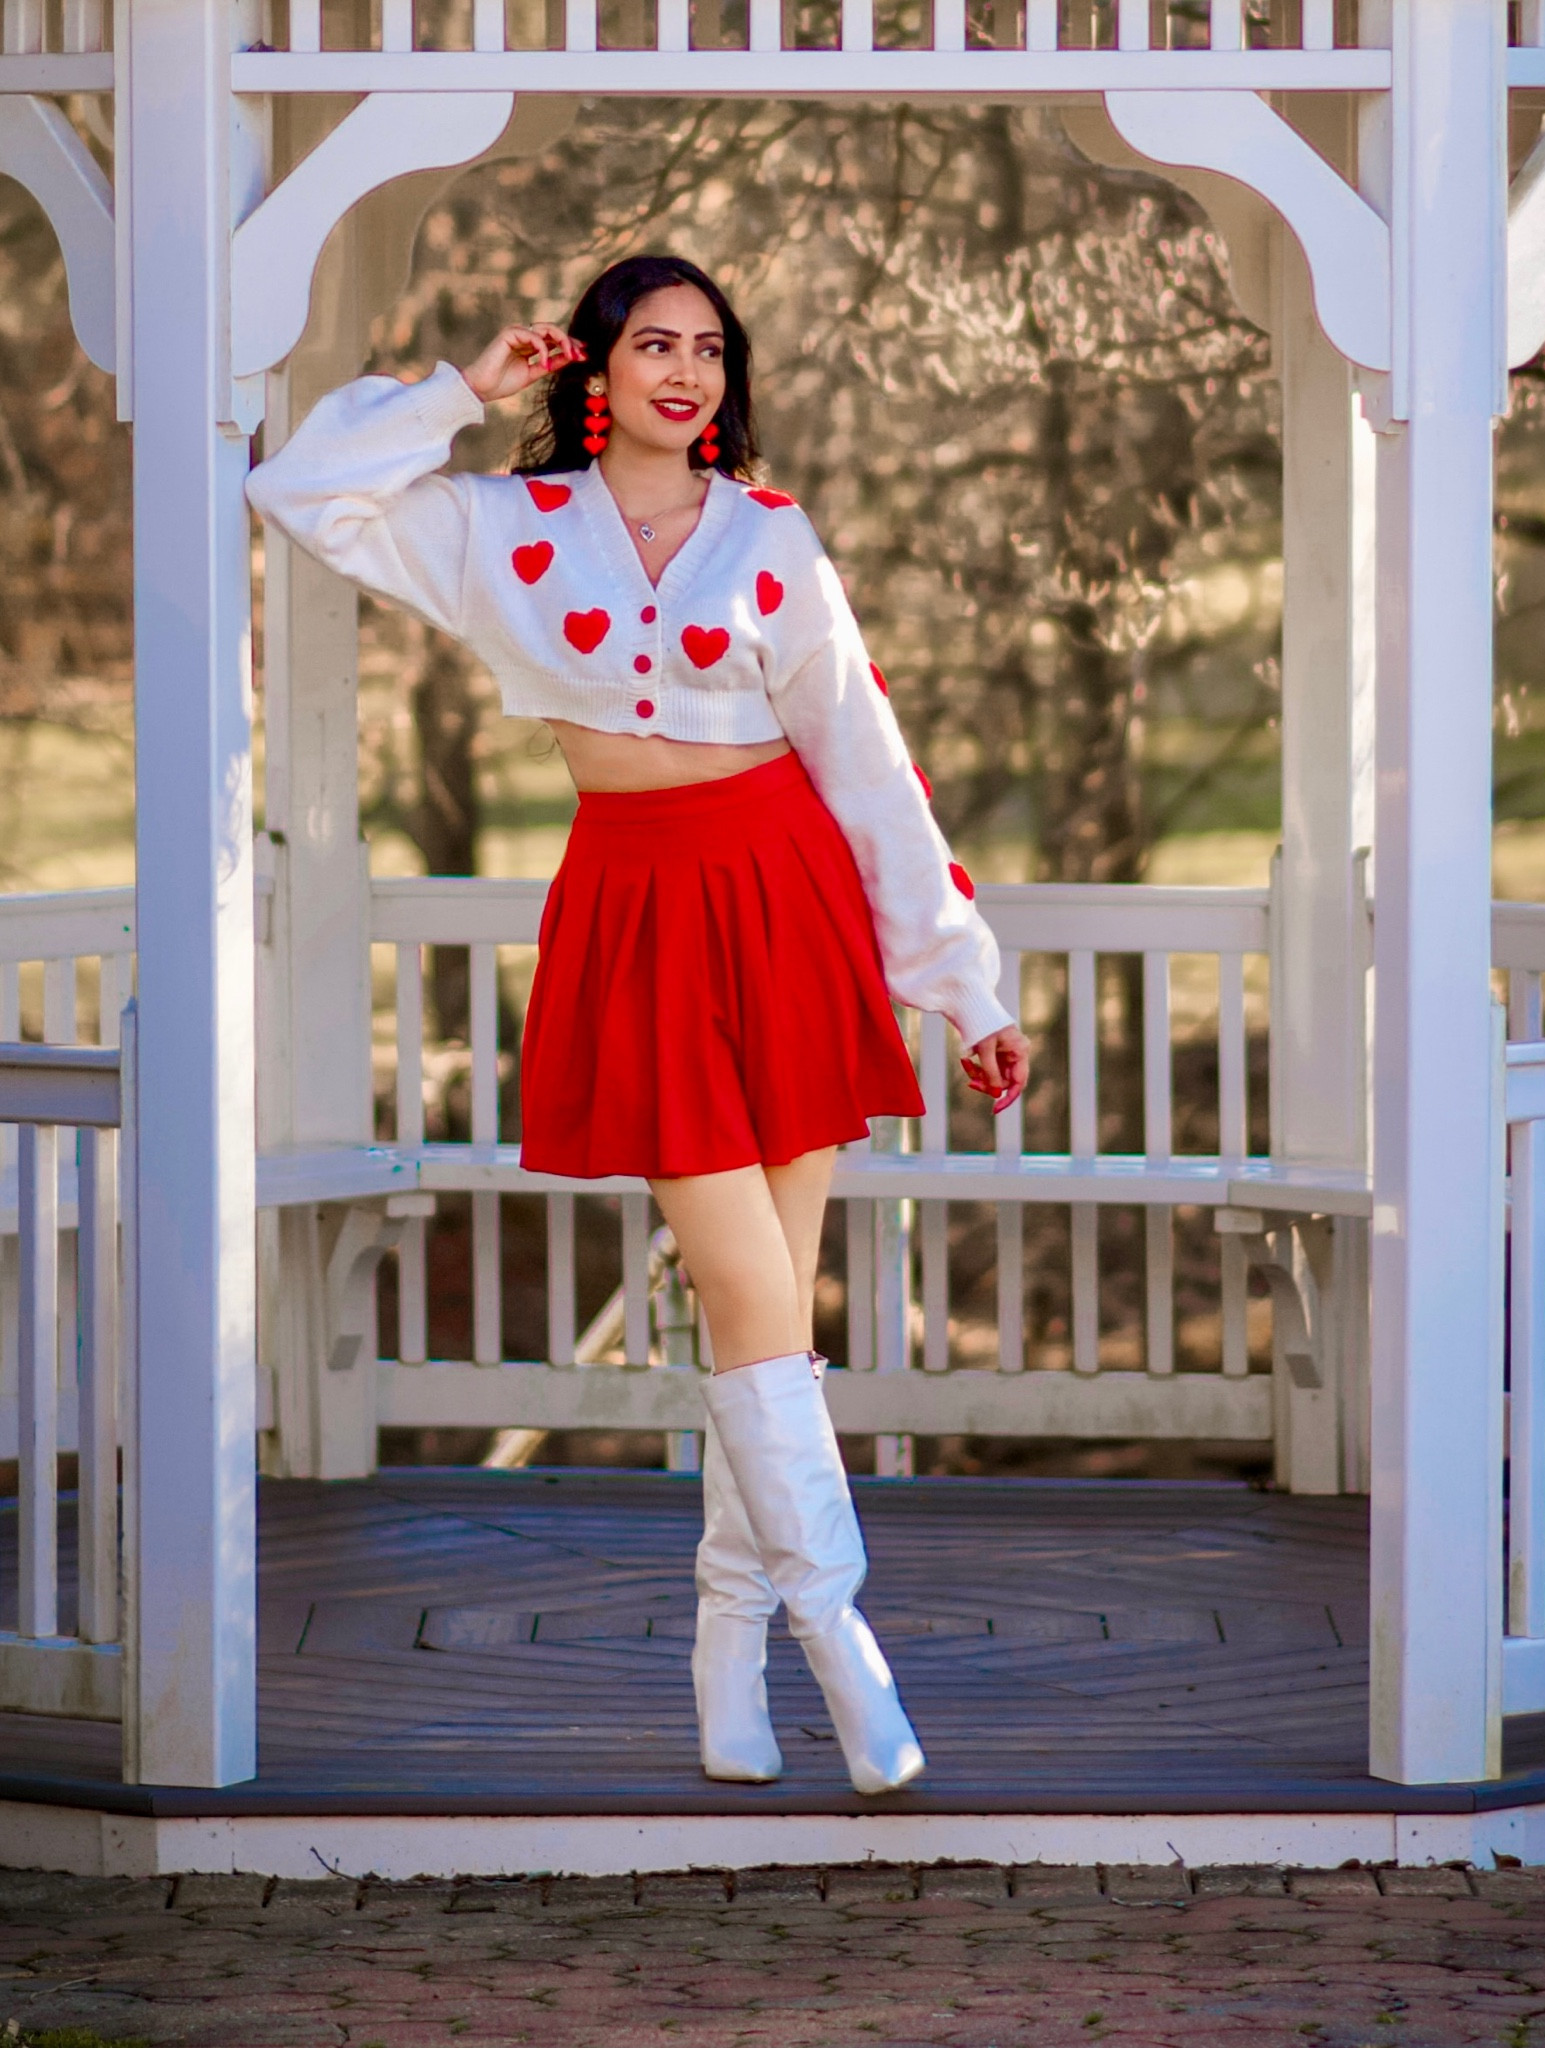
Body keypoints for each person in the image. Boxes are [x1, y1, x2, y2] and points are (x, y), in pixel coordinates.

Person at [246, 252, 1031, 1796]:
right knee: (751, 1293)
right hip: (642, 912)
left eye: (712, 349)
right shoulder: (498, 529)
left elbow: (867, 764)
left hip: (789, 900)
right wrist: (465, 391)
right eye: (655, 343)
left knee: (766, 1317)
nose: (689, 371)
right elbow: (305, 488)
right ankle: (839, 1637)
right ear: (592, 368)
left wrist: (963, 982)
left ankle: (726, 1647)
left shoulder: (773, 539)